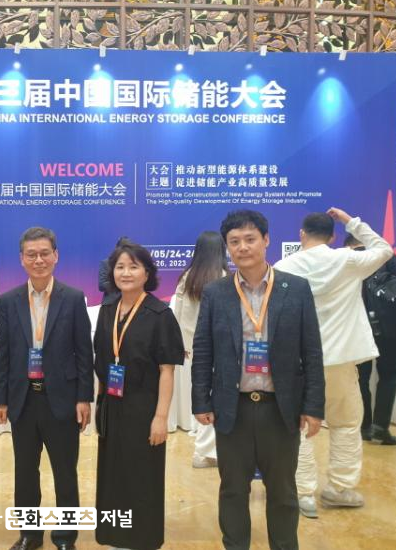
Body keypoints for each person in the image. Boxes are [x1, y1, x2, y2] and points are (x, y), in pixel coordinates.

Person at [193, 210, 325, 549]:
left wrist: (313, 406)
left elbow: (311, 351)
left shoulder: (295, 289)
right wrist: (201, 400)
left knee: (283, 492)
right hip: (232, 408)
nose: (243, 247)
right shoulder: (216, 292)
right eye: (234, 241)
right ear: (227, 247)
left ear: (266, 240)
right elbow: (203, 349)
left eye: (250, 239)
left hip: (279, 409)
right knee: (233, 490)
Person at [276, 209, 392, 518]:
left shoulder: (284, 267)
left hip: (299, 360)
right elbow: (384, 249)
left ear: (302, 234)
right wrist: (351, 221)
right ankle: (339, 488)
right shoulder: (348, 260)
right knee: (346, 423)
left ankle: (302, 493)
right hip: (340, 359)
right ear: (332, 236)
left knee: (298, 426)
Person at [0, 227, 93, 550]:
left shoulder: (73, 298)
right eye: (31, 254)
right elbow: (3, 353)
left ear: (56, 256)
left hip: (61, 400)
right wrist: (0, 398)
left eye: (44, 253)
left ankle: (65, 537)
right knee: (25, 472)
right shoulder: (9, 301)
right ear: (21, 259)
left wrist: (84, 397)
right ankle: (29, 535)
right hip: (23, 400)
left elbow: (84, 353)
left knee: (65, 473)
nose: (39, 260)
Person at [94, 240, 184, 549]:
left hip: (144, 407)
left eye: (133, 267)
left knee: (142, 474)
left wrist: (160, 417)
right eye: (120, 267)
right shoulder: (107, 310)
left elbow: (167, 371)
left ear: (147, 273)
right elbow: (102, 360)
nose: (126, 273)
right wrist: (100, 406)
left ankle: (142, 538)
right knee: (112, 472)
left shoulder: (160, 314)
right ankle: (114, 536)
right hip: (112, 404)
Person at [344, 234, 396, 445]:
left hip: (357, 328)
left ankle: (364, 426)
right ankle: (380, 428)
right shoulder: (385, 257)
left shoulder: (344, 261)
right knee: (389, 375)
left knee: (360, 378)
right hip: (388, 328)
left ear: (348, 245)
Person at [173, 231, 228, 468]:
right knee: (214, 397)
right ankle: (205, 452)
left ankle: (204, 446)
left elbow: (179, 313)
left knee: (201, 393)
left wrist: (183, 343)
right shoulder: (225, 277)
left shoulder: (188, 276)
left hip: (194, 346)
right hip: (219, 347)